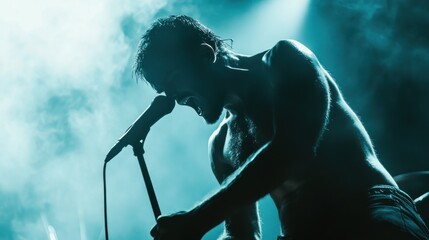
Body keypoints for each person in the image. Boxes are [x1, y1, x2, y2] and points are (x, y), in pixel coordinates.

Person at [134, 15, 429, 240]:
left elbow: (292, 150)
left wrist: (195, 221)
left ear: (204, 54)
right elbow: (241, 235)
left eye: (173, 81)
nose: (173, 98)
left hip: (370, 214)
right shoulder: (220, 144)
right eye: (164, 91)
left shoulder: (284, 61)